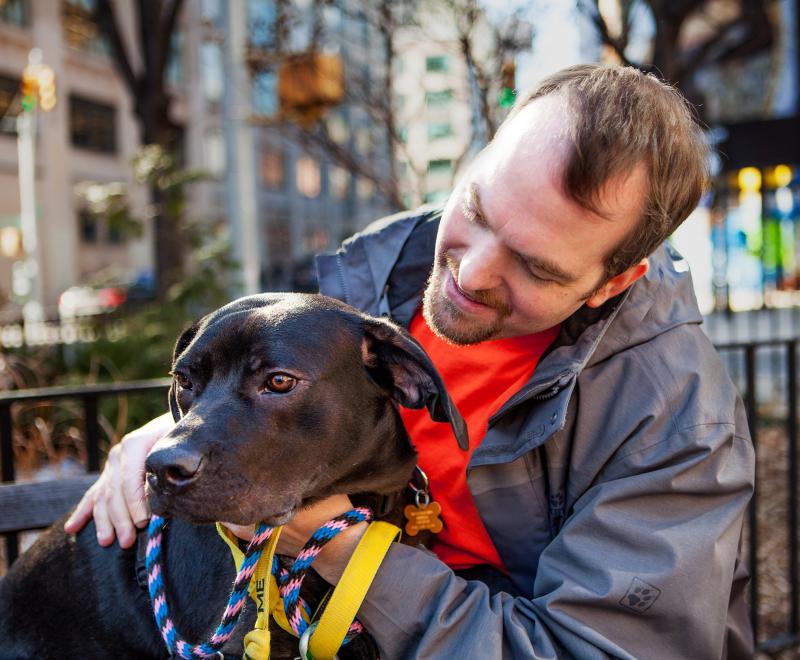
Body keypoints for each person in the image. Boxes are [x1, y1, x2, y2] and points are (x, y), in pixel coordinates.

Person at [65, 64, 755, 658]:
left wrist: (344, 550)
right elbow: (257, 382)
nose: (469, 273)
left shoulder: (674, 419)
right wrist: (175, 428)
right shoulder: (374, 280)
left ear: (614, 281)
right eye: (477, 209)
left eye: (535, 267)